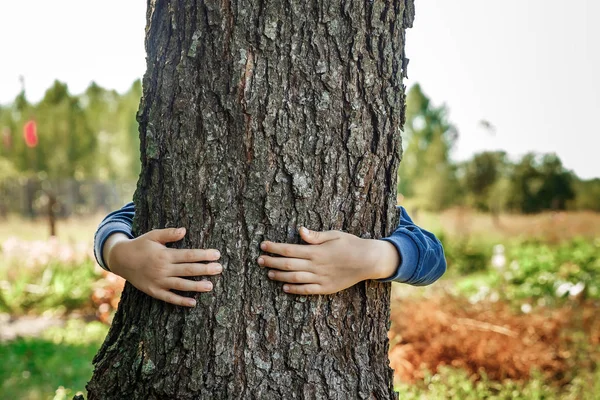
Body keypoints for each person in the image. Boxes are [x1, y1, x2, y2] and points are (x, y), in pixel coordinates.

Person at [94, 202, 446, 307]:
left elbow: (433, 259)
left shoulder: (369, 199)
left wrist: (373, 258)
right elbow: (118, 222)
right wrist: (120, 255)